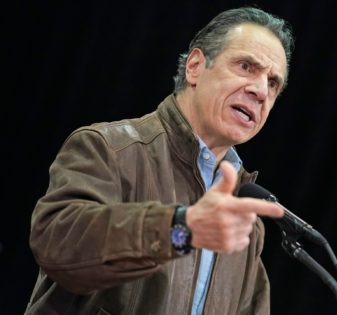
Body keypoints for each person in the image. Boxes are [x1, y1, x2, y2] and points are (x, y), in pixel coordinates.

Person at [25, 6, 294, 315]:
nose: (260, 90)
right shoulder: (110, 149)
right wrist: (181, 228)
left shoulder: (243, 221)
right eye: (246, 66)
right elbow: (58, 244)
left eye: (273, 83)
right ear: (195, 66)